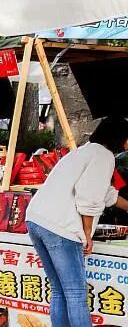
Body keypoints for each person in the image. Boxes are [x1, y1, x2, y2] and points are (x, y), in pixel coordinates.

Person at [26, 117, 128, 326]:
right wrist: (86, 234)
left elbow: (105, 193)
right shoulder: (104, 156)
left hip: (36, 219)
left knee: (59, 290)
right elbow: (89, 198)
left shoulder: (84, 151)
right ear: (118, 137)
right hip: (62, 227)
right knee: (76, 294)